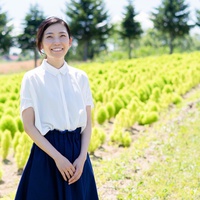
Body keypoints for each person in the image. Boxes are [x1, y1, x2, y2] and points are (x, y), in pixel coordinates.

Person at [15, 16, 99, 200]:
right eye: (49, 37)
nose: (56, 42)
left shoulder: (81, 77)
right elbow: (29, 126)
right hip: (47, 154)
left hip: (78, 155)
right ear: (40, 45)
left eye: (62, 36)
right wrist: (58, 158)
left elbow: (87, 124)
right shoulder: (32, 79)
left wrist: (82, 158)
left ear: (70, 42)